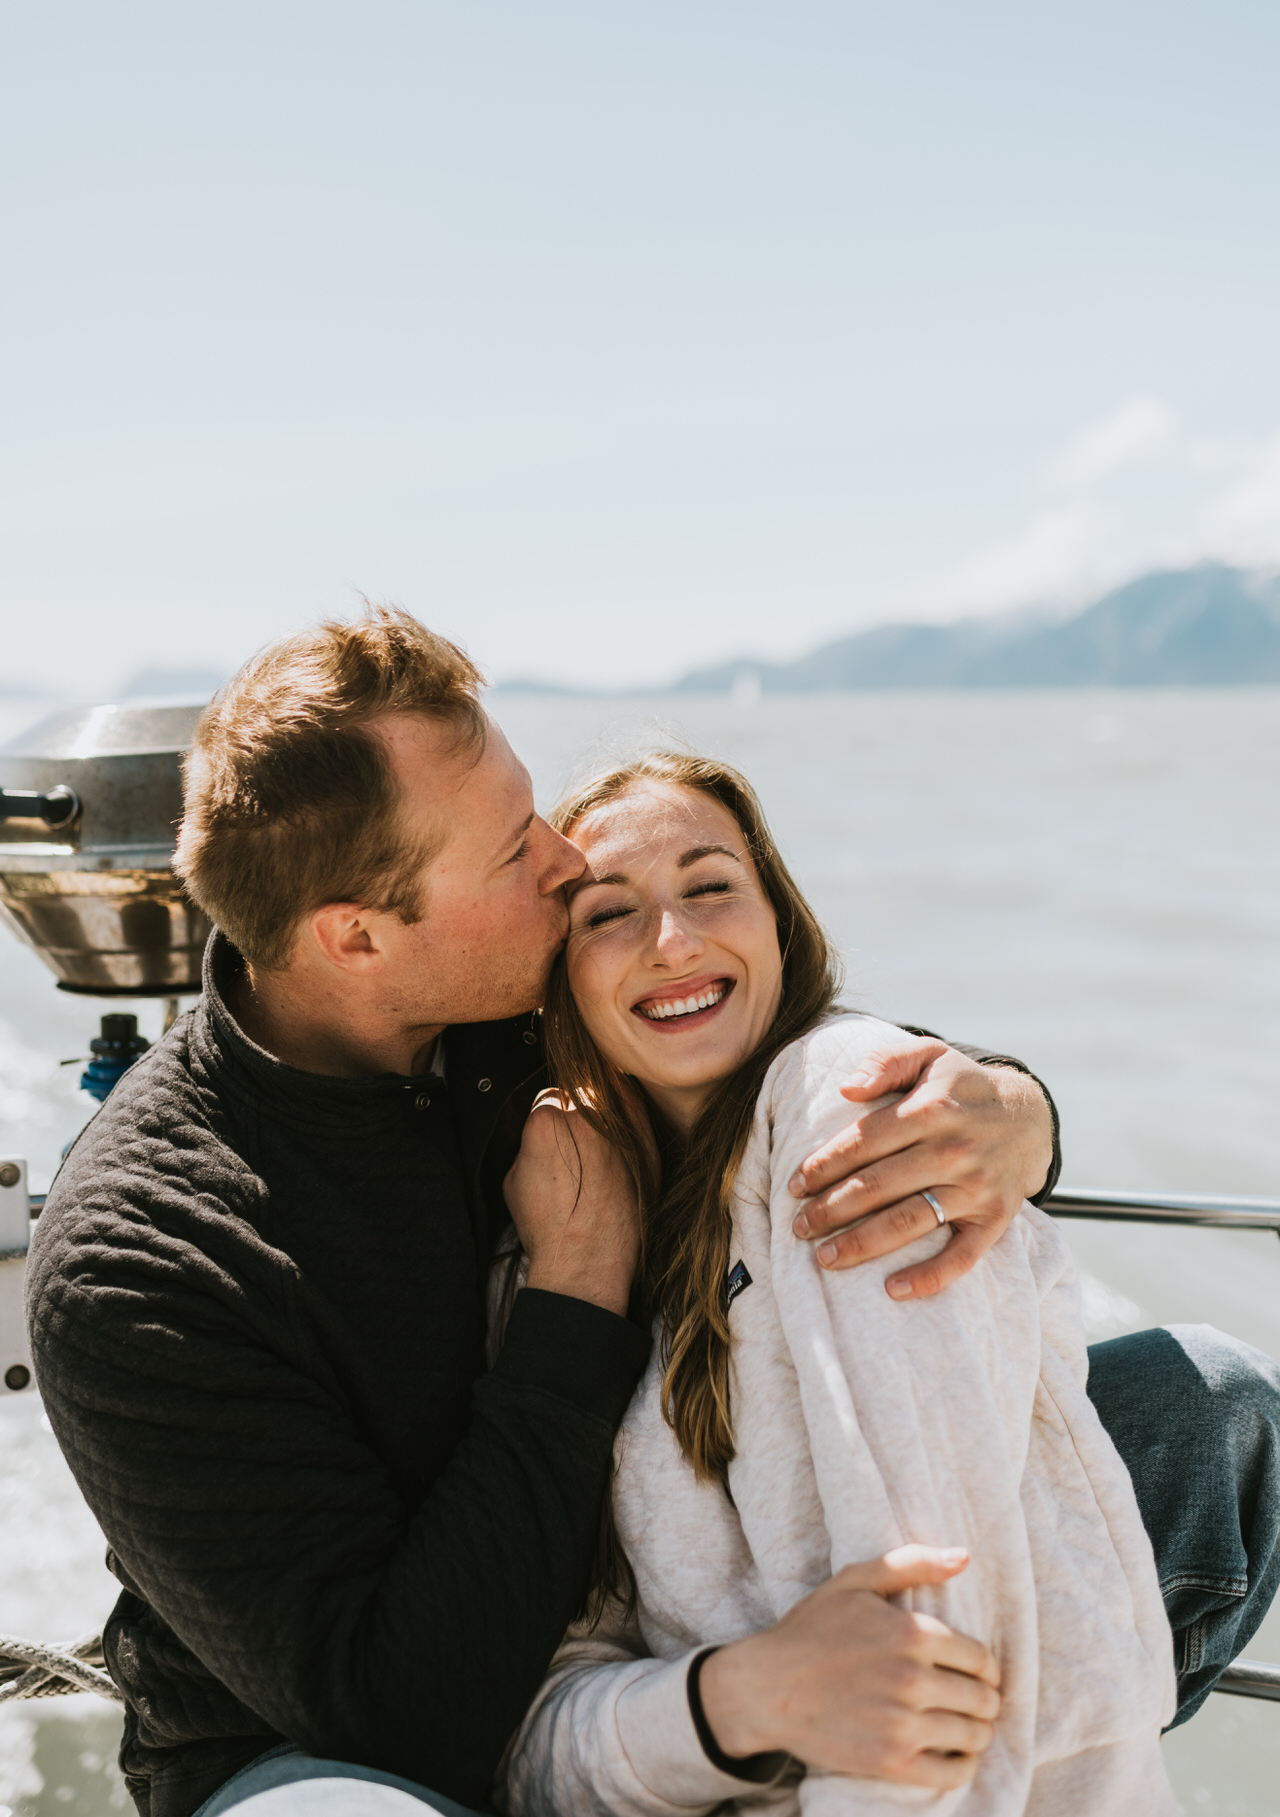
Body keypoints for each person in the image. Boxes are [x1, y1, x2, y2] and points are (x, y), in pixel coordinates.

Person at [22, 607, 1277, 1817]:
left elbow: (757, 1034)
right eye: (518, 851)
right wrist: (576, 1291)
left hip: (661, 1616)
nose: (567, 869)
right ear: (356, 937)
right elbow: (396, 1710)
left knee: (1207, 1407)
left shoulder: (511, 993)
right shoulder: (140, 1261)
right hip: (335, 1745)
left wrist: (1009, 1112)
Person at [494, 753, 1186, 1815]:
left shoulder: (848, 1114)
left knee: (1223, 1402)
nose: (672, 942)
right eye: (605, 913)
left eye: (710, 885)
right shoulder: (569, 1238)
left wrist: (1019, 1111)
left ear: (780, 918)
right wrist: (735, 1703)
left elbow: (931, 1651)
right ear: (560, 978)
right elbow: (541, 1737)